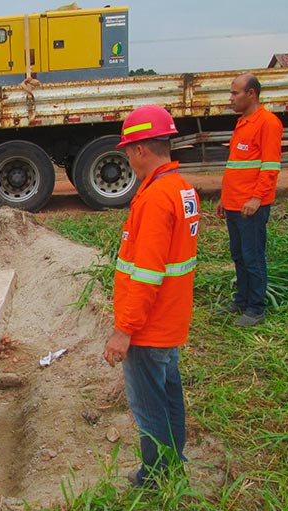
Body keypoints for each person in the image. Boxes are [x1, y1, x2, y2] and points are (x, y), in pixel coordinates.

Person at [102, 105, 200, 488]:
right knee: (169, 395)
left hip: (148, 326)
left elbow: (146, 274)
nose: (127, 157)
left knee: (148, 406)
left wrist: (124, 330)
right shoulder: (181, 189)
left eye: (128, 149)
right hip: (170, 319)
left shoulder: (158, 198)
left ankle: (156, 477)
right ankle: (174, 463)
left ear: (141, 149)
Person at [215, 73, 283, 327]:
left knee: (253, 256)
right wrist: (224, 197)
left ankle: (256, 307)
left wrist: (257, 198)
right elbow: (236, 165)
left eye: (235, 93)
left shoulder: (268, 123)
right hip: (234, 203)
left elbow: (270, 167)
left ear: (251, 94)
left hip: (250, 207)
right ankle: (241, 300)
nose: (231, 98)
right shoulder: (243, 122)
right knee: (238, 255)